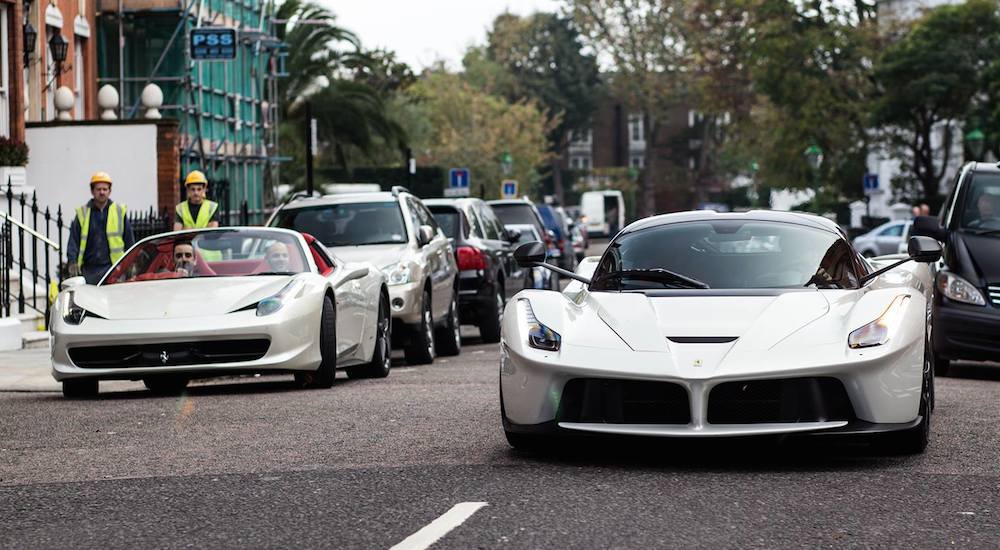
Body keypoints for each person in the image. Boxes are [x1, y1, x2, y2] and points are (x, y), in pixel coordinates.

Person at [66, 172, 136, 285]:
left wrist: (131, 263)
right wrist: (72, 262)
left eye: (105, 189)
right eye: (98, 189)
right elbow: (73, 241)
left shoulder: (119, 212)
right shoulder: (83, 213)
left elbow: (129, 241)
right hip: (88, 270)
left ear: (110, 191)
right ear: (92, 191)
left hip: (114, 269)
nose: (102, 192)